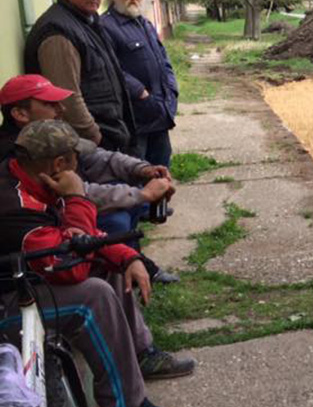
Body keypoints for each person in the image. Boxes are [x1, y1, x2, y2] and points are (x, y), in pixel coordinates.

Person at [0, 120, 192, 407]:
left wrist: (127, 256)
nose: (80, 167)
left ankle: (140, 353)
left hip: (27, 281)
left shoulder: (34, 177)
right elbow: (69, 264)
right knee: (93, 296)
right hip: (8, 306)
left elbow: (77, 240)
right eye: (76, 159)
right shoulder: (14, 207)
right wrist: (78, 198)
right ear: (60, 163)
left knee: (111, 262)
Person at [0, 74, 180, 284]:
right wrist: (141, 194)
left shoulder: (51, 134)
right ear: (20, 113)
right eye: (50, 104)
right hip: (43, 260)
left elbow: (96, 156)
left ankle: (138, 265)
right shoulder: (16, 154)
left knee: (122, 220)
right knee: (115, 224)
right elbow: (74, 193)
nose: (61, 109)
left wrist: (142, 169)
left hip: (66, 223)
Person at [23, 0, 136, 152]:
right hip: (90, 140)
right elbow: (66, 95)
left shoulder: (87, 21)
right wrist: (93, 134)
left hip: (108, 131)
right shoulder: (58, 31)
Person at [101, 0, 178, 167]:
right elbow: (110, 68)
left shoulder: (145, 24)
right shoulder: (105, 27)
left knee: (161, 166)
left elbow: (163, 60)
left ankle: (160, 198)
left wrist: (172, 88)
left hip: (159, 111)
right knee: (138, 170)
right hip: (135, 117)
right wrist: (140, 93)